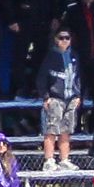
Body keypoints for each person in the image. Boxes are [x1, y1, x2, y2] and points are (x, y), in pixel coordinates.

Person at [38, 28, 81, 171]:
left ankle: (64, 159)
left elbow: (78, 77)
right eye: (61, 38)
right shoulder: (50, 56)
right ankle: (49, 160)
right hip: (55, 98)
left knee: (66, 130)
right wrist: (46, 96)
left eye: (67, 38)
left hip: (71, 98)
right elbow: (42, 77)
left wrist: (78, 95)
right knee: (51, 129)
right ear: (56, 39)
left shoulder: (74, 56)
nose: (64, 41)